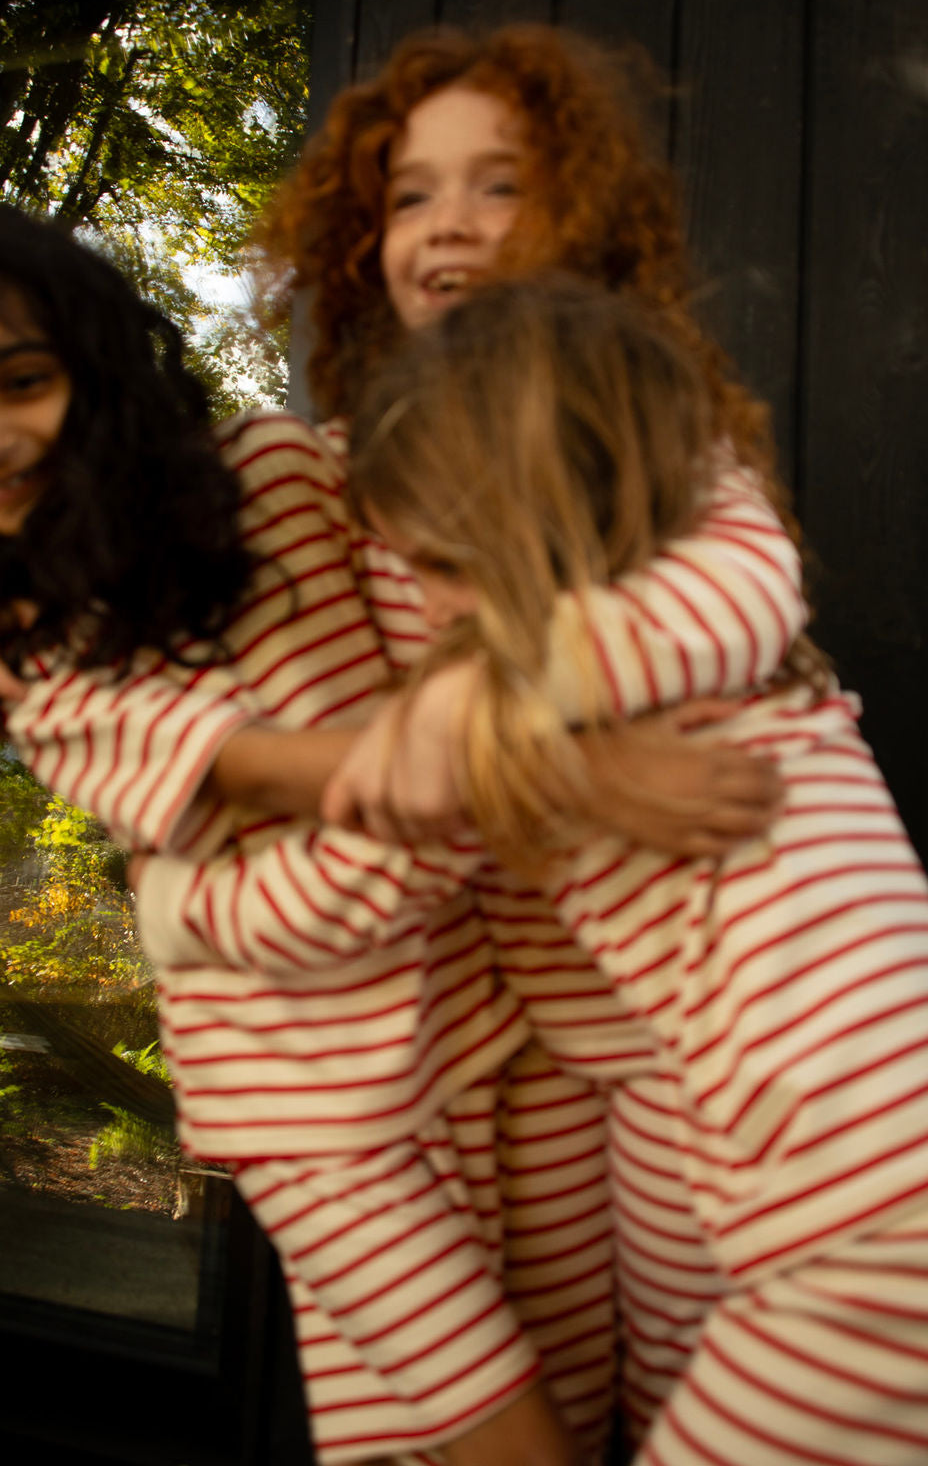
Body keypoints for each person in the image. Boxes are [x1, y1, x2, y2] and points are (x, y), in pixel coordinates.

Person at [0, 204, 798, 1466]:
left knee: (600, 1402)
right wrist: (588, 762)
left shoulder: (273, 465)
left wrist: (598, 672)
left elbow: (459, 593)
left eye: (23, 380)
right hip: (311, 1104)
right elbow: (345, 774)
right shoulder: (40, 670)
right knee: (496, 1441)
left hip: (491, 1017)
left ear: (94, 353)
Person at [332, 275, 928, 1466]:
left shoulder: (630, 652)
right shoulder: (695, 647)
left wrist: (447, 703)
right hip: (909, 1187)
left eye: (441, 563)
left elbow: (377, 788)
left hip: (892, 1230)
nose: (422, 599)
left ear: (538, 514)